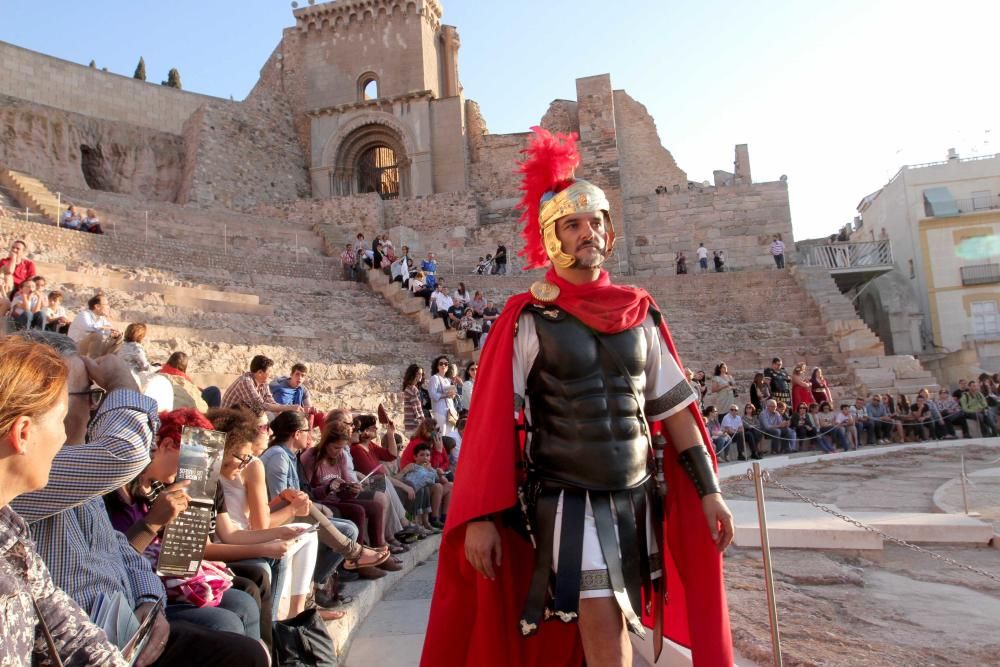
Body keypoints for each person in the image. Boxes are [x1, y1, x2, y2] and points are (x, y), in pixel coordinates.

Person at [422, 128, 733, 667]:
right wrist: (480, 516)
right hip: (568, 496)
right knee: (602, 612)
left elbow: (676, 412)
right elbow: (492, 422)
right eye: (572, 224)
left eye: (595, 223)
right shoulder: (526, 320)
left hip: (635, 492)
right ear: (551, 238)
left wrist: (709, 491)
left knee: (616, 616)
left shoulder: (641, 312)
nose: (587, 233)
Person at [10, 331, 267, 667]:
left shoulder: (75, 469)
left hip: (125, 625)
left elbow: (118, 548)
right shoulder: (28, 470)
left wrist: (148, 600)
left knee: (244, 641)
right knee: (234, 635)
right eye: (87, 393)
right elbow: (122, 454)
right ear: (27, 425)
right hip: (93, 641)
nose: (96, 404)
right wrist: (122, 384)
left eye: (97, 393)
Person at [0, 337, 127, 666]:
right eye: (59, 418)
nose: (60, 434)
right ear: (24, 433)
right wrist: (123, 384)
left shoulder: (11, 532)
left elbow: (70, 633)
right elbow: (125, 455)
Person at [221, 355, 301, 414]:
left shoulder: (263, 382)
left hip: (242, 417)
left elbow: (272, 403)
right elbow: (259, 406)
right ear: (260, 373)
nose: (271, 374)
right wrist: (289, 407)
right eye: (269, 371)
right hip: (228, 420)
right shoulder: (245, 382)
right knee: (267, 417)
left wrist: (285, 411)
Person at [269, 362, 325, 431]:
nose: (299, 378)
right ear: (291, 375)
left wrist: (312, 409)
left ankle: (328, 441)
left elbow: (308, 407)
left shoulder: (303, 389)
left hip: (299, 417)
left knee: (322, 416)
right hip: (282, 418)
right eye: (297, 374)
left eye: (302, 376)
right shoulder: (280, 387)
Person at [67, 293, 123, 357]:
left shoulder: (101, 318)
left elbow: (108, 330)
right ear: (97, 306)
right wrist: (106, 328)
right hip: (75, 347)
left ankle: (109, 359)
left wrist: (115, 333)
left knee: (118, 337)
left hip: (91, 347)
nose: (108, 307)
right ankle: (94, 362)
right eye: (106, 304)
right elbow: (89, 328)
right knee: (96, 336)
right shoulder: (84, 314)